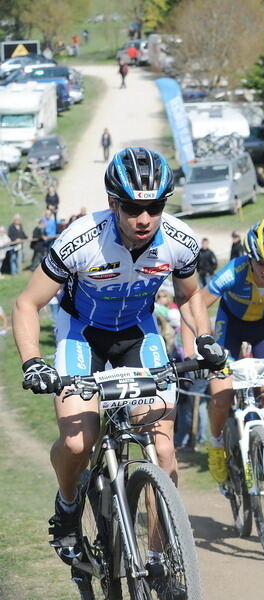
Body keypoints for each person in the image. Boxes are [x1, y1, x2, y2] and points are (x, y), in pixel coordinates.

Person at [12, 147, 226, 566]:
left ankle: (159, 557)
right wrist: (33, 361)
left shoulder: (178, 241)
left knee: (164, 450)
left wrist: (204, 339)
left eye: (154, 206)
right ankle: (70, 506)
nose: (144, 218)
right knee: (78, 442)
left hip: (137, 332)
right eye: (131, 207)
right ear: (113, 203)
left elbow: (190, 295)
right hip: (82, 335)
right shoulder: (81, 239)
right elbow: (25, 304)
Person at [194, 220, 264, 485]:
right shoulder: (235, 271)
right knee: (221, 397)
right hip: (230, 326)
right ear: (249, 259)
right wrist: (200, 342)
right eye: (260, 264)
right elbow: (198, 302)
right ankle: (216, 444)